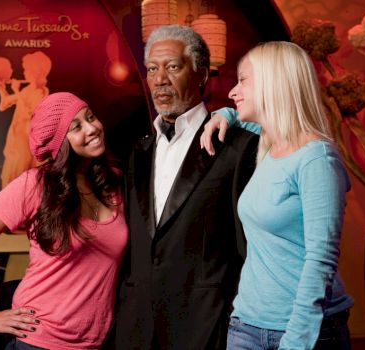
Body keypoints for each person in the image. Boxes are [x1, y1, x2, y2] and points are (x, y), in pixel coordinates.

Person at [200, 41, 354, 349]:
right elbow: (252, 119)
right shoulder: (271, 142)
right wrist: (226, 115)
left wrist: (296, 341)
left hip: (305, 331)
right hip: (246, 324)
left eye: (243, 80)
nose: (232, 90)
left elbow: (321, 259)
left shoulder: (316, 159)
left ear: (274, 83)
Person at [113, 25, 258, 349]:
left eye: (173, 67)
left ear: (202, 74)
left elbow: (248, 248)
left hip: (204, 327)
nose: (160, 79)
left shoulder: (238, 147)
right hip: (136, 328)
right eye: (152, 68)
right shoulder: (137, 152)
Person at [0, 92, 128, 349]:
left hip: (98, 342)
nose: (92, 128)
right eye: (76, 127)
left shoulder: (114, 182)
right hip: (40, 340)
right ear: (59, 144)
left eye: (90, 117)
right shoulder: (36, 184)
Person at [0, 51, 52, 188]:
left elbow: (31, 115)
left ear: (35, 71)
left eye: (26, 70)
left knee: (18, 180)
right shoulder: (27, 90)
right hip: (16, 141)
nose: (24, 73)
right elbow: (4, 104)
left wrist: (17, 92)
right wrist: (0, 86)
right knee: (8, 179)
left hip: (25, 144)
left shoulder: (41, 92)